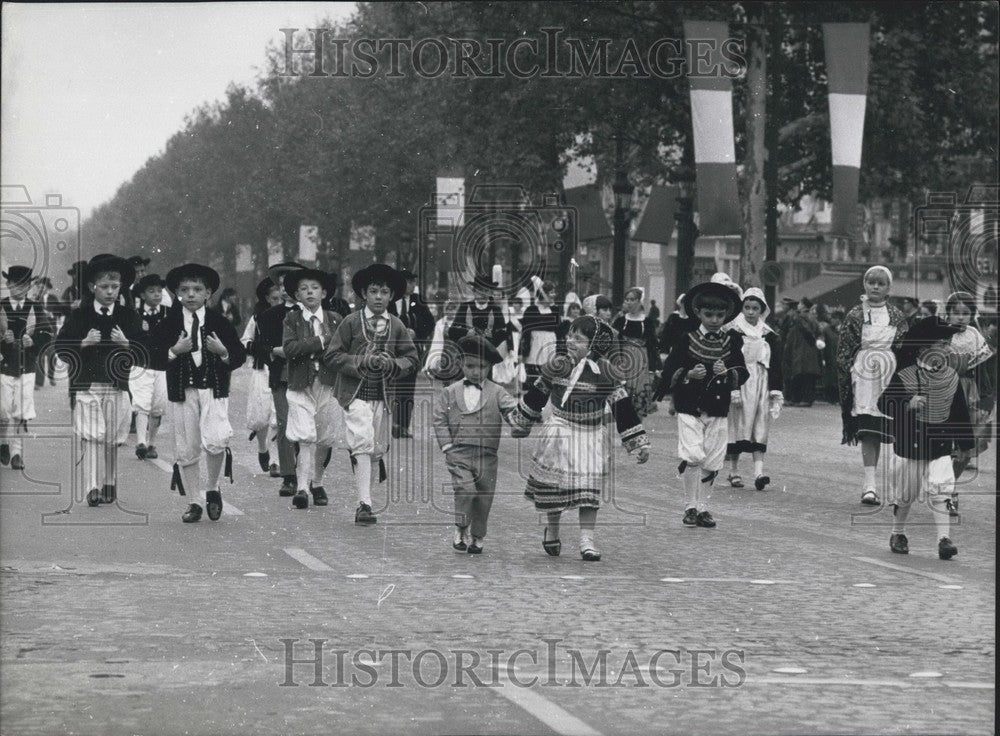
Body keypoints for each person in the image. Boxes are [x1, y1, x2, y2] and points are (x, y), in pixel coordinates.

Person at [511, 315, 650, 561]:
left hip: (591, 437)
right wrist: (522, 422)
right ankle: (553, 528)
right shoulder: (558, 365)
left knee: (589, 490)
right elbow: (538, 394)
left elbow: (622, 407)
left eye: (578, 338)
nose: (570, 341)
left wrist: (637, 443)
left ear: (594, 343)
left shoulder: (606, 372)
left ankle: (587, 540)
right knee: (554, 488)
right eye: (569, 336)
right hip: (560, 433)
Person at [324, 264, 418, 525]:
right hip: (355, 394)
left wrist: (393, 364)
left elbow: (411, 358)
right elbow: (332, 355)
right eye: (373, 291)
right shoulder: (351, 322)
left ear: (391, 296)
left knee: (376, 449)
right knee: (362, 442)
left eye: (384, 292)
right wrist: (358, 361)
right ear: (364, 294)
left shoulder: (396, 325)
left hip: (383, 396)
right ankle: (364, 503)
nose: (378, 297)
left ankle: (367, 498)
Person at [153, 263, 246, 523]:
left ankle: (213, 487)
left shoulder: (220, 322)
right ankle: (194, 500)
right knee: (187, 446)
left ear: (208, 294)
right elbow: (153, 356)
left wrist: (223, 352)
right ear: (176, 294)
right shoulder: (168, 323)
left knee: (216, 440)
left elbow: (238, 355)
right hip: (182, 391)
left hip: (214, 390)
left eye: (197, 289)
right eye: (185, 290)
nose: (191, 294)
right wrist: (174, 350)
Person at [877, 316, 973, 560]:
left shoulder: (950, 376)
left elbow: (959, 412)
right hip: (909, 444)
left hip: (939, 444)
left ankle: (944, 539)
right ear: (924, 348)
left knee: (941, 489)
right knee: (906, 492)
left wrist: (964, 444)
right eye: (942, 343)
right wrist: (907, 402)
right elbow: (883, 402)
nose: (947, 348)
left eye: (949, 343)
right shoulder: (905, 375)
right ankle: (898, 532)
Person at [656, 281, 747, 528]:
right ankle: (690, 506)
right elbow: (670, 369)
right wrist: (687, 374)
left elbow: (743, 372)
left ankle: (705, 507)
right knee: (693, 454)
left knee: (713, 459)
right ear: (698, 313)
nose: (715, 319)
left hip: (717, 406)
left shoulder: (731, 342)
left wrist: (727, 371)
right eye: (709, 314)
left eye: (720, 315)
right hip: (689, 405)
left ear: (726, 315)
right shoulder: (687, 339)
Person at [54, 255, 142, 505]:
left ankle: (110, 481)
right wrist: (83, 343)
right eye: (105, 287)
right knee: (92, 435)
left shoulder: (128, 316)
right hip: (88, 384)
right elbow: (61, 348)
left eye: (115, 287)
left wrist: (127, 344)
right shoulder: (80, 315)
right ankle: (92, 486)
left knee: (113, 437)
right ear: (93, 287)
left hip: (117, 384)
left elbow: (145, 351)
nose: (111, 292)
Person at [433, 334, 519, 554]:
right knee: (465, 490)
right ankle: (461, 528)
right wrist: (447, 446)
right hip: (459, 452)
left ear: (489, 367)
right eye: (470, 365)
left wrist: (518, 420)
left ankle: (478, 536)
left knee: (484, 497)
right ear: (461, 364)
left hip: (487, 454)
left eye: (481, 367)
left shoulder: (497, 391)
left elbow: (511, 410)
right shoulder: (449, 392)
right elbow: (440, 418)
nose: (475, 371)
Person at [836, 265, 908, 506]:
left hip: (890, 378)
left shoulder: (897, 316)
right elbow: (845, 349)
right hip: (865, 379)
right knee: (869, 431)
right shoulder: (855, 315)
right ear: (864, 284)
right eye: (871, 282)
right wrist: (850, 373)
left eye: (881, 283)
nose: (875, 287)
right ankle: (870, 485)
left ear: (888, 288)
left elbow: (905, 348)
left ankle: (899, 488)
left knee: (896, 433)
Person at [282, 268, 345, 510]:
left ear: (324, 292)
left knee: (325, 437)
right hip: (300, 383)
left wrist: (312, 347)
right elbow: (289, 349)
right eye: (304, 289)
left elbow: (339, 350)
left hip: (328, 384)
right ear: (297, 294)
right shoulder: (291, 319)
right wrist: (319, 341)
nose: (309, 292)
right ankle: (302, 488)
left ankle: (317, 482)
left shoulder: (336, 319)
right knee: (305, 436)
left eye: (315, 288)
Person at [724, 288, 783, 491]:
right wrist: (733, 388)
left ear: (762, 310)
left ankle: (759, 471)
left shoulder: (768, 335)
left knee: (760, 423)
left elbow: (775, 365)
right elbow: (730, 360)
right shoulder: (733, 331)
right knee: (738, 424)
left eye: (755, 308)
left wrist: (775, 390)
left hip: (761, 382)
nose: (750, 312)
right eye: (747, 307)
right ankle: (734, 470)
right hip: (741, 380)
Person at [943, 291, 995, 515]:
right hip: (944, 392)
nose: (961, 317)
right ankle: (943, 486)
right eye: (956, 313)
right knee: (944, 445)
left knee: (968, 444)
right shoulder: (940, 334)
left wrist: (987, 399)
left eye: (966, 313)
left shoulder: (975, 336)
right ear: (949, 314)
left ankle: (950, 486)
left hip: (969, 394)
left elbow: (984, 370)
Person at [257, 261, 306, 497]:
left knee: (311, 429)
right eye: (281, 282)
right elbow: (260, 346)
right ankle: (289, 476)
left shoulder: (313, 313)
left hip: (310, 377)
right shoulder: (268, 316)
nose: (285, 287)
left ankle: (312, 477)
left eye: (291, 282)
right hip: (282, 375)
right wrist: (276, 352)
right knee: (285, 424)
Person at [1, 266, 52, 470]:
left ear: (29, 286)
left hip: (26, 367)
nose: (20, 288)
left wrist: (34, 342)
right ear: (8, 284)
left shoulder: (35, 307)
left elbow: (47, 334)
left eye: (24, 284)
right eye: (16, 283)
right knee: (3, 410)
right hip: (3, 367)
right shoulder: (1, 305)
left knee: (21, 412)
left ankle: (16, 453)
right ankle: (3, 443)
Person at [241, 277, 282, 475]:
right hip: (262, 369)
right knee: (261, 415)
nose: (279, 302)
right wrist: (257, 348)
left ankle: (275, 460)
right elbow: (245, 341)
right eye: (274, 298)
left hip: (281, 369)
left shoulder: (290, 317)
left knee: (277, 414)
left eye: (282, 298)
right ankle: (262, 448)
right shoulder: (257, 319)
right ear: (267, 298)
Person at [387, 270, 435, 439]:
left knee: (407, 388)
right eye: (408, 282)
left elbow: (429, 322)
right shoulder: (390, 299)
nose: (411, 285)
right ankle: (391, 422)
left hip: (410, 350)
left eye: (413, 282)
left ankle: (403, 425)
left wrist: (416, 331)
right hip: (390, 349)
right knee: (390, 385)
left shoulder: (418, 301)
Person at [129, 274, 170, 461]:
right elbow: (131, 339)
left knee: (158, 406)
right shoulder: (135, 314)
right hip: (141, 364)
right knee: (141, 402)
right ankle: (141, 442)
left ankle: (152, 442)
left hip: (161, 365)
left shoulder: (168, 313)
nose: (156, 295)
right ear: (143, 295)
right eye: (151, 291)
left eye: (159, 291)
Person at [612, 287, 659, 418]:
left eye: (632, 299)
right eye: (627, 299)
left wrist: (653, 370)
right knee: (623, 399)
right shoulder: (621, 321)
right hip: (624, 362)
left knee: (638, 400)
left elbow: (652, 346)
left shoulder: (647, 322)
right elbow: (613, 342)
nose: (629, 302)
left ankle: (637, 428)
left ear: (639, 301)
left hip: (641, 363)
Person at [448, 275, 509, 349]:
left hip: (488, 352)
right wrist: (466, 333)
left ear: (490, 293)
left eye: (486, 291)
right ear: (474, 291)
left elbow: (502, 333)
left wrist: (491, 337)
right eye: (480, 290)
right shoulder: (465, 307)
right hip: (467, 350)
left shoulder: (495, 310)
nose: (482, 294)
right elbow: (452, 331)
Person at [519, 280, 561, 386]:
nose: (554, 295)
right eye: (551, 292)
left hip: (550, 344)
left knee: (549, 373)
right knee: (534, 374)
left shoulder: (555, 310)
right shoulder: (531, 310)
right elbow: (525, 331)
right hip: (535, 345)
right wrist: (523, 351)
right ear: (543, 294)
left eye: (554, 292)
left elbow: (559, 331)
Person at [782, 297, 822, 406]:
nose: (798, 305)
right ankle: (799, 399)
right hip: (802, 349)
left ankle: (803, 399)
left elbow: (808, 331)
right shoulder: (808, 318)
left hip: (803, 349)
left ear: (803, 306)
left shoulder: (801, 318)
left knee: (802, 375)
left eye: (800, 303)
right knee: (801, 375)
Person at [424, 300, 463, 385]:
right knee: (446, 380)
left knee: (458, 380)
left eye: (452, 309)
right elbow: (437, 342)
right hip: (445, 355)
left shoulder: (460, 322)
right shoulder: (440, 323)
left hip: (458, 354)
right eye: (447, 309)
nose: (450, 312)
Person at [31, 278, 59, 388]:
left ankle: (51, 376)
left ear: (47, 288)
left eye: (42, 287)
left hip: (51, 331)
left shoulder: (53, 298)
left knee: (52, 355)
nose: (40, 289)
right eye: (38, 287)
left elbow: (59, 312)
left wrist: (51, 314)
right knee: (40, 356)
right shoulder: (34, 299)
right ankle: (39, 382)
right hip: (38, 331)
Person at [819, 308, 844, 404]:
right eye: (831, 318)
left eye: (834, 318)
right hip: (830, 358)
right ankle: (831, 399)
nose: (831, 320)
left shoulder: (845, 329)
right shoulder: (827, 330)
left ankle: (839, 399)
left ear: (839, 320)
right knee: (830, 379)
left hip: (842, 359)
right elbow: (822, 340)